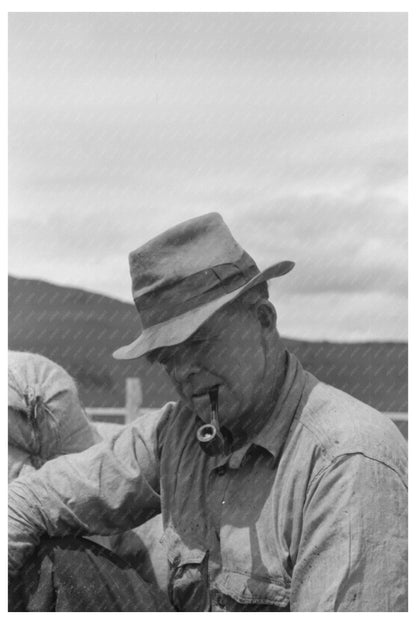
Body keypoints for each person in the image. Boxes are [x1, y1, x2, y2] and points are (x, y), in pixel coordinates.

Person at [8, 212, 407, 612]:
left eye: (200, 343)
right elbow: (32, 499)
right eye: (167, 359)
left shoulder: (346, 461)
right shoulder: (178, 433)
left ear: (263, 320)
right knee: (57, 567)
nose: (183, 373)